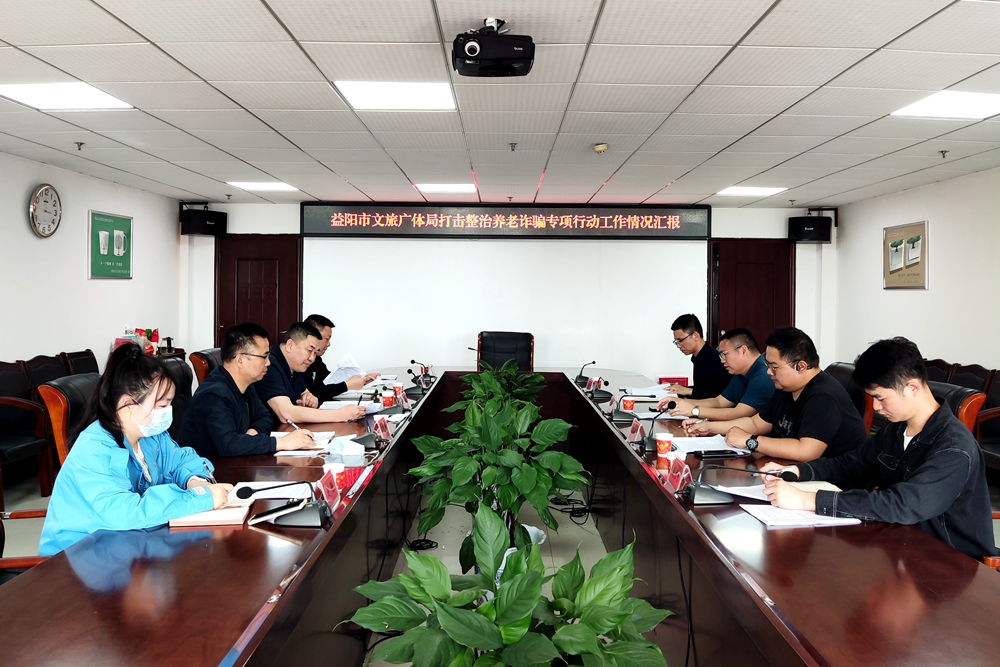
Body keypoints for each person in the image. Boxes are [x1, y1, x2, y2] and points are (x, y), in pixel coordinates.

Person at [761, 337, 996, 561]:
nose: (875, 406)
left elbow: (903, 504)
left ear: (912, 388)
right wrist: (798, 471)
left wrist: (808, 500)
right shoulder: (896, 430)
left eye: (880, 398)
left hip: (950, 563)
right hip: (899, 547)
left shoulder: (954, 447)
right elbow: (852, 465)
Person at [38, 344, 234, 556]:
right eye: (162, 405)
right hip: (77, 559)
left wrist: (195, 481)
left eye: (170, 404)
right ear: (128, 405)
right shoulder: (94, 450)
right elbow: (124, 512)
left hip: (128, 548)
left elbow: (181, 459)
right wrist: (198, 498)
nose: (168, 412)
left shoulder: (151, 435)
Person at [684, 327, 867, 461]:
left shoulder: (823, 396)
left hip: (839, 485)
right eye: (767, 365)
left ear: (801, 366)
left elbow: (806, 451)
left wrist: (750, 441)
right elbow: (755, 423)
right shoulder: (785, 388)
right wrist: (709, 427)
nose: (769, 372)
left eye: (774, 366)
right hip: (797, 470)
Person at [180, 323, 315, 460]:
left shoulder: (246, 385)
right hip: (209, 469)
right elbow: (228, 445)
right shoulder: (213, 395)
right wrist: (282, 443)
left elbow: (265, 417)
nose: (268, 363)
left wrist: (251, 434)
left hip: (236, 462)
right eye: (264, 357)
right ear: (240, 360)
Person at [255, 321, 366, 424]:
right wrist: (340, 415)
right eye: (309, 350)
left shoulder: (296, 365)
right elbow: (286, 414)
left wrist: (308, 397)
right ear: (290, 345)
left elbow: (305, 392)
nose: (312, 358)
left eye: (315, 353)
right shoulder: (269, 365)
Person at [658, 328, 774, 421]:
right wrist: (681, 403)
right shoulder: (740, 372)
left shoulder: (763, 375)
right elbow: (718, 402)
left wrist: (694, 410)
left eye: (724, 354)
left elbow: (738, 413)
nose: (722, 360)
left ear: (743, 350)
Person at [303, 313, 379, 404]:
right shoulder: (301, 361)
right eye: (327, 339)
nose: (329, 344)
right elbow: (313, 390)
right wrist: (347, 386)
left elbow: (328, 381)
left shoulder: (317, 359)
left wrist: (362, 380)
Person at [666, 314, 730, 399]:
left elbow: (720, 397)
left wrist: (689, 391)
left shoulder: (714, 360)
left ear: (695, 336)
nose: (678, 345)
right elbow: (702, 389)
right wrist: (679, 389)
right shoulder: (699, 357)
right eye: (676, 342)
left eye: (680, 340)